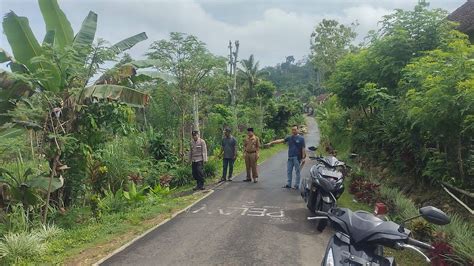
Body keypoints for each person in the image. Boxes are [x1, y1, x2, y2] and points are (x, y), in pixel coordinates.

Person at [266, 125, 306, 189]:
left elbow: (303, 148)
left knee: (297, 172)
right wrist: (271, 142)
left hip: (297, 157)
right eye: (292, 129)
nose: (293, 131)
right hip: (290, 157)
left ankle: (296, 185)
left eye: (295, 129)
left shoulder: (301, 138)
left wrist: (303, 158)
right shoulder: (289, 137)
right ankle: (289, 184)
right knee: (289, 171)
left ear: (298, 130)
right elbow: (281, 140)